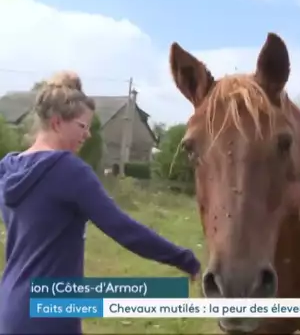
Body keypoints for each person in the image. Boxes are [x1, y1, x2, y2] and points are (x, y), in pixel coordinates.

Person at [0, 71, 202, 334]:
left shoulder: (8, 168)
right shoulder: (67, 169)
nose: (87, 136)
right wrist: (185, 259)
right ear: (58, 123)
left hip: (10, 306)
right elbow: (123, 229)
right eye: (82, 127)